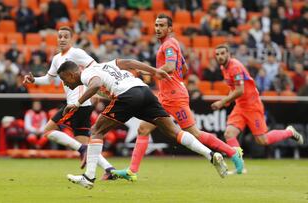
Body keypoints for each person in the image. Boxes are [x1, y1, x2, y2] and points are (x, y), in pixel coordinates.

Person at [59, 59, 228, 189]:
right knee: (173, 131)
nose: (65, 84)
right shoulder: (105, 65)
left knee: (96, 131)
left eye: (63, 80)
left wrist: (77, 102)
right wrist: (154, 71)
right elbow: (131, 63)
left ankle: (88, 178)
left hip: (126, 95)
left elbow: (95, 85)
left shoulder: (86, 74)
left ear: (70, 74)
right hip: (144, 91)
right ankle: (211, 155)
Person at [113, 14, 243, 181]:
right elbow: (185, 67)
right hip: (166, 96)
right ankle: (132, 171)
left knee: (194, 133)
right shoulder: (171, 45)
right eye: (156, 25)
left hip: (174, 97)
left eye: (161, 25)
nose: (158, 28)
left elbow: (171, 66)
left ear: (170, 29)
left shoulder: (169, 44)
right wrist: (174, 79)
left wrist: (151, 72)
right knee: (143, 129)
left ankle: (233, 153)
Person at [22, 26, 116, 180]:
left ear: (71, 39)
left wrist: (95, 90)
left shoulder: (77, 53)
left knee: (48, 131)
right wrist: (34, 80)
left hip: (77, 104)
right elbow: (49, 79)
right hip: (78, 106)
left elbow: (95, 68)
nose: (62, 39)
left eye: (66, 36)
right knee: (85, 143)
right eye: (60, 36)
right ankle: (109, 169)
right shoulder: (57, 58)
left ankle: (82, 150)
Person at [211, 45, 303, 163]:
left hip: (252, 105)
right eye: (217, 54)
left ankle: (289, 132)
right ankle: (239, 164)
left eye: (223, 53)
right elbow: (233, 88)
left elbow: (240, 90)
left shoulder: (235, 67)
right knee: (229, 134)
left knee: (262, 140)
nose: (220, 56)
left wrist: (223, 101)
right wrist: (228, 101)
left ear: (229, 54)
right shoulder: (224, 68)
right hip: (240, 106)